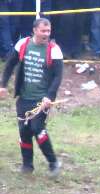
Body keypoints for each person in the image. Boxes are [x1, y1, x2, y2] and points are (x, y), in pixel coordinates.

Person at [0, 18, 62, 176]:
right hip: (24, 98)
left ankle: (53, 162)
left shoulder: (54, 50)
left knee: (37, 128)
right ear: (35, 30)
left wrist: (50, 96)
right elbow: (9, 65)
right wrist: (3, 85)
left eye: (48, 31)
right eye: (43, 31)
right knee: (24, 131)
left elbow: (57, 77)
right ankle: (27, 165)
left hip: (42, 100)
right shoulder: (22, 44)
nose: (46, 34)